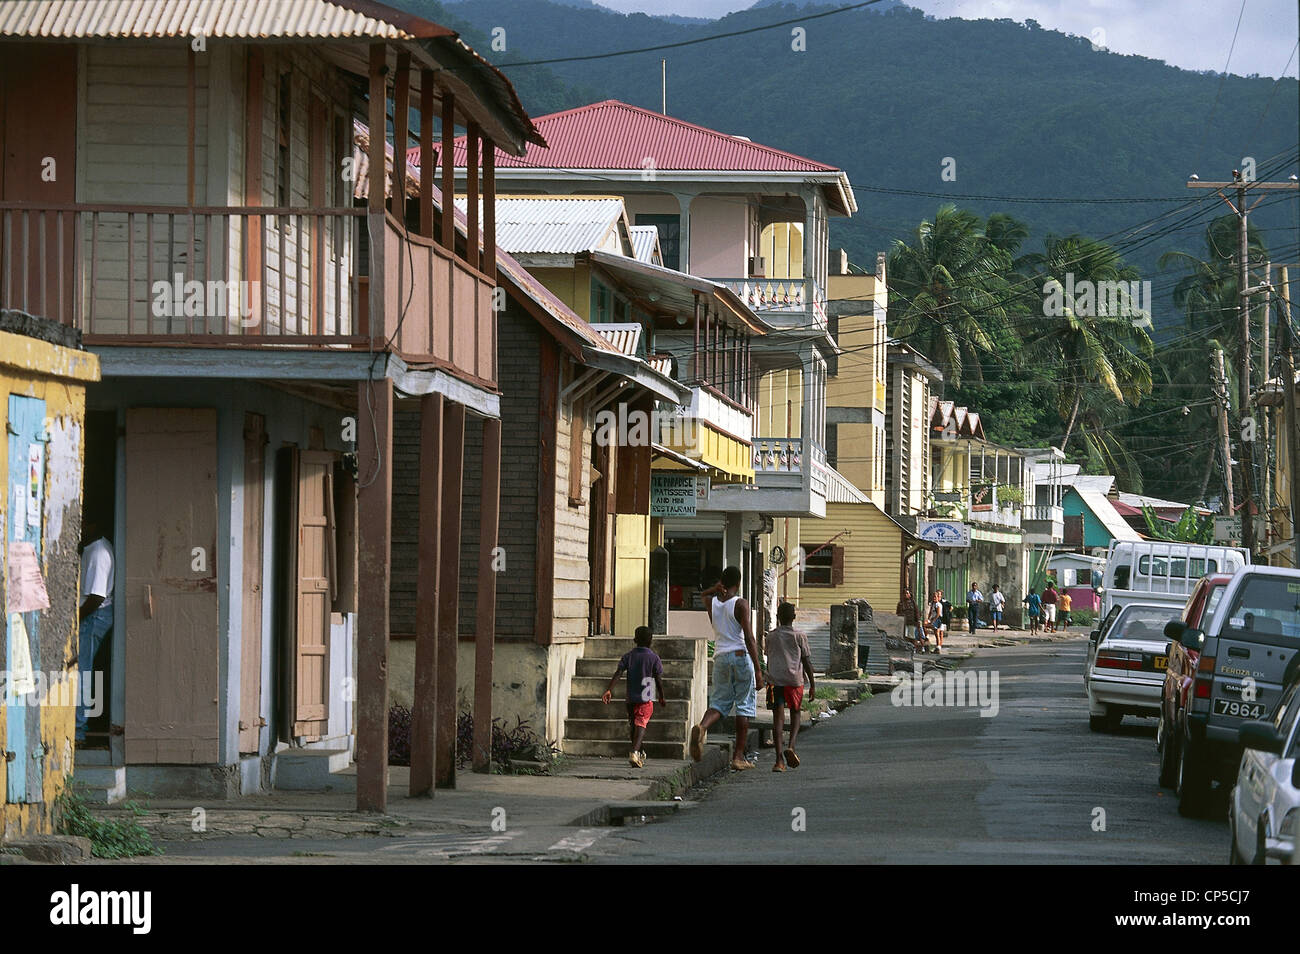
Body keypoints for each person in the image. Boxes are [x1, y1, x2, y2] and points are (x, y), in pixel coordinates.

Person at [691, 566, 764, 771]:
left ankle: (702, 727)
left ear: (722, 582)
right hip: (740, 656)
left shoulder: (712, 603)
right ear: (738, 583)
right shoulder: (740, 604)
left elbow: (703, 595)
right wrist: (758, 669)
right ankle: (738, 756)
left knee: (718, 703)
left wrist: (713, 589)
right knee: (743, 707)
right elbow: (749, 638)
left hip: (721, 657)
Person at [602, 626, 666, 768]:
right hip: (647, 692)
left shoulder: (629, 656)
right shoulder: (653, 657)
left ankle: (640, 751)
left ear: (635, 640)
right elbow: (658, 679)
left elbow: (618, 673)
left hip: (631, 695)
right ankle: (635, 752)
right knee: (641, 723)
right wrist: (661, 696)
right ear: (651, 641)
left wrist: (609, 690)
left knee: (634, 725)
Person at [77, 518, 115, 744]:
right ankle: (79, 727)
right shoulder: (96, 547)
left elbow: (96, 596)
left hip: (94, 616)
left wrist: (75, 620)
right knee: (84, 672)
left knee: (82, 674)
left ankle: (78, 731)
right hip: (98, 614)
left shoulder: (97, 553)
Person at [765, 602, 814, 773]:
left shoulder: (770, 636)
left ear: (777, 617)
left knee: (777, 719)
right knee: (795, 713)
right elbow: (807, 662)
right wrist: (813, 685)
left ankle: (779, 761)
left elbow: (769, 656)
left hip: (774, 681)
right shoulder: (800, 636)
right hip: (794, 681)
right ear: (794, 617)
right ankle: (791, 746)